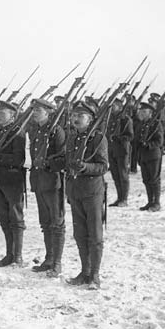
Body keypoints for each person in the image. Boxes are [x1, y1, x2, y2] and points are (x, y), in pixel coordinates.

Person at [64, 100, 108, 290]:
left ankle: (95, 275)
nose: (75, 119)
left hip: (92, 192)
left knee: (95, 235)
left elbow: (103, 165)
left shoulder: (98, 138)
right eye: (74, 115)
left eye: (80, 116)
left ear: (90, 119)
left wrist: (85, 167)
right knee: (80, 234)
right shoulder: (73, 138)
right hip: (76, 191)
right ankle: (85, 271)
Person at [27, 98, 66, 277]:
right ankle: (49, 258)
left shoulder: (56, 131)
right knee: (45, 223)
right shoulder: (37, 129)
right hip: (39, 181)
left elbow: (63, 157)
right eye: (34, 110)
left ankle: (56, 263)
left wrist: (48, 163)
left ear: (48, 112)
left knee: (56, 223)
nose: (34, 112)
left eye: (38, 110)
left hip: (52, 182)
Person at [0, 101, 27, 268]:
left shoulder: (17, 133)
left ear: (12, 115)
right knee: (3, 217)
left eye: (3, 113)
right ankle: (9, 254)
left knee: (16, 218)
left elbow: (19, 159)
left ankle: (17, 256)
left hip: (12, 180)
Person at [134, 98, 164, 212]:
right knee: (146, 179)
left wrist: (148, 144)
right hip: (143, 155)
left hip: (153, 155)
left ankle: (156, 203)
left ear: (150, 113)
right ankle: (150, 201)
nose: (142, 113)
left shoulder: (156, 124)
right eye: (141, 111)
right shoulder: (141, 125)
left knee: (154, 179)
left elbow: (160, 141)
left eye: (144, 111)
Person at [106, 97, 134, 206]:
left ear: (120, 107)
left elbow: (130, 136)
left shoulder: (126, 119)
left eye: (114, 106)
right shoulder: (110, 118)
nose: (112, 108)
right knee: (115, 175)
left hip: (122, 150)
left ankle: (124, 199)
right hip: (112, 150)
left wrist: (119, 138)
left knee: (123, 175)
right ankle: (119, 198)